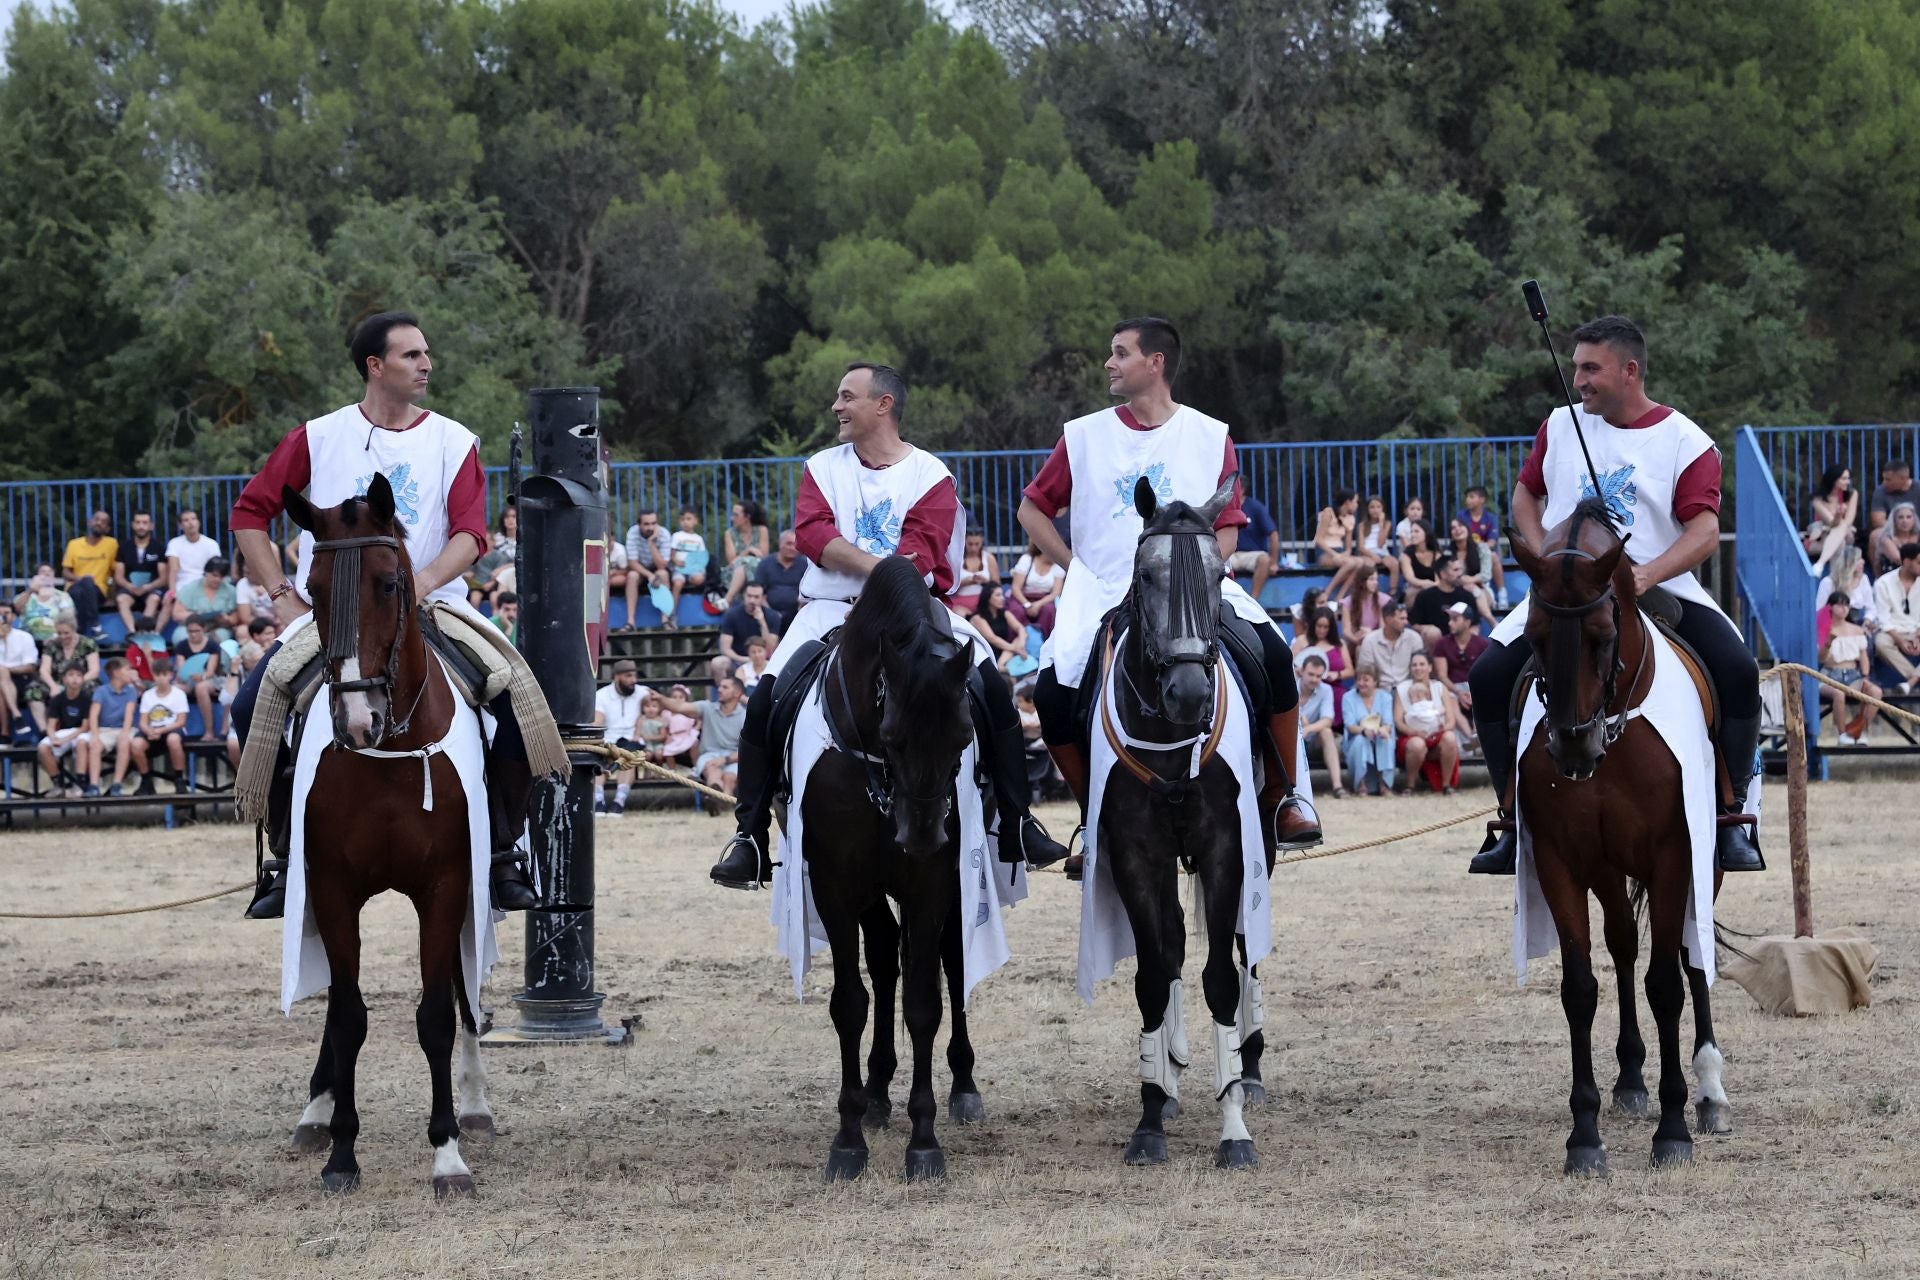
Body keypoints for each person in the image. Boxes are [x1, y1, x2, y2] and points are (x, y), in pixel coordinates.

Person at [227, 309, 543, 919]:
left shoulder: (454, 440)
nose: (426, 364)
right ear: (375, 366)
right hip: (338, 618)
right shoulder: (316, 437)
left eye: (426, 354)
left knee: (520, 704)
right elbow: (250, 515)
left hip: (432, 608)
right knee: (251, 706)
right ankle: (287, 855)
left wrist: (420, 583)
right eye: (411, 355)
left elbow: (472, 534)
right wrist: (278, 593)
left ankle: (503, 853)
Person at [711, 361, 1067, 888]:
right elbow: (813, 534)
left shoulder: (930, 474)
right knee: (766, 696)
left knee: (991, 687)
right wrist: (883, 576)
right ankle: (749, 836)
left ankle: (1016, 821)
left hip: (916, 608)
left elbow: (922, 550)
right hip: (830, 607)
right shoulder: (823, 467)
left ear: (883, 405)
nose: (837, 406)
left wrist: (887, 587)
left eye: (846, 396)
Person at [1466, 314, 1765, 876]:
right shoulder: (1559, 424)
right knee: (1486, 677)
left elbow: (1702, 532)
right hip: (1564, 595)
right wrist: (1544, 563)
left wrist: (1647, 575)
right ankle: (1509, 819)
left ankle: (1731, 818)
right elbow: (1525, 496)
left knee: (1737, 669)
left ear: (1630, 371)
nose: (1578, 380)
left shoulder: (1686, 440)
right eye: (1576, 367)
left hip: (1657, 586)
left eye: (1591, 368)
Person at [1016, 316, 1319, 858]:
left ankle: (1281, 796)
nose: (1109, 363)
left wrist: (1201, 575)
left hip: (1196, 588)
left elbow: (1228, 524)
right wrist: (1073, 565)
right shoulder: (1082, 436)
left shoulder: (1209, 434)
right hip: (1104, 588)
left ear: (1155, 363)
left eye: (1120, 353)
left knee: (1273, 656)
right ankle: (1095, 817)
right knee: (1053, 694)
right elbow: (1032, 508)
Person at [658, 676, 749, 801]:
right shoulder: (707, 707)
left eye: (725, 687)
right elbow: (679, 707)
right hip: (709, 755)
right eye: (720, 686)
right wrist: (660, 698)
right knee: (712, 770)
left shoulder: (746, 716)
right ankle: (719, 799)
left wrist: (725, 759)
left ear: (737, 693)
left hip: (733, 757)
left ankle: (716, 800)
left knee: (730, 778)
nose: (719, 690)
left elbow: (748, 750)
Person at [1394, 651, 1463, 794]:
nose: (1418, 668)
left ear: (1430, 667)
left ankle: (1446, 786)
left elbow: (1451, 720)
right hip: (1412, 736)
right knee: (1417, 744)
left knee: (1450, 738)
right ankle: (1410, 786)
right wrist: (1414, 732)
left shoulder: (1439, 687)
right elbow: (1398, 721)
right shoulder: (1402, 689)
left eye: (1422, 664)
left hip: (1437, 734)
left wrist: (1440, 729)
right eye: (1414, 665)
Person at [1818, 593, 1881, 745]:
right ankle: (1842, 735)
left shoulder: (1856, 629)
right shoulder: (1823, 627)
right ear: (1830, 607)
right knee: (1838, 694)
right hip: (1830, 675)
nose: (1843, 609)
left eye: (1846, 605)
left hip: (1853, 675)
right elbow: (1821, 658)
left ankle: (1859, 730)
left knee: (1876, 692)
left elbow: (1863, 657)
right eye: (1839, 605)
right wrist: (1828, 642)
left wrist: (1865, 676)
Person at [593, 659, 646, 815]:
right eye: (629, 676)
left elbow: (657, 710)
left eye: (634, 676)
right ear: (617, 677)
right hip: (608, 740)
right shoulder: (602, 695)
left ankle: (619, 802)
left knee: (628, 760)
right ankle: (598, 802)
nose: (633, 681)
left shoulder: (643, 692)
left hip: (633, 740)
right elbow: (598, 721)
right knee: (598, 760)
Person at [27, 615, 99, 726]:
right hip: (57, 681)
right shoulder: (52, 645)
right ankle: (44, 729)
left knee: (93, 689)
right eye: (59, 633)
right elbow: (44, 670)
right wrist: (53, 686)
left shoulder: (87, 644)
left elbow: (94, 671)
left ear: (74, 630)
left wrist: (76, 682)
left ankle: (86, 726)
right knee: (33, 689)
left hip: (82, 681)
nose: (62, 636)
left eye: (66, 633)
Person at [86, 656, 142, 795]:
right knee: (95, 745)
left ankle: (117, 784)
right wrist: (95, 735)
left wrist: (125, 731)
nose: (131, 672)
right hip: (105, 729)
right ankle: (94, 785)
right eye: (127, 669)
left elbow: (129, 713)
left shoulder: (130, 691)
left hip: (124, 728)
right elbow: (93, 715)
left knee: (124, 741)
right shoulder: (101, 691)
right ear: (117, 673)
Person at [710, 582, 781, 690]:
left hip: (764, 660)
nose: (752, 600)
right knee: (718, 663)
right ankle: (725, 698)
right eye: (749, 596)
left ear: (762, 598)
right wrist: (744, 659)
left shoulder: (773, 616)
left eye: (756, 597)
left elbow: (770, 648)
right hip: (738, 658)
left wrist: (762, 622)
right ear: (744, 596)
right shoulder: (731, 615)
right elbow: (725, 648)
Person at [1870, 542, 1920, 694]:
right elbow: (1883, 619)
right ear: (1906, 562)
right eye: (1919, 562)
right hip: (1892, 632)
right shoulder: (1883, 584)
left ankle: (1910, 683)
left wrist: (1918, 636)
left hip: (1916, 631)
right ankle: (1914, 678)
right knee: (1880, 642)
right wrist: (1900, 640)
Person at [37, 664, 94, 797]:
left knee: (82, 743)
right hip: (64, 732)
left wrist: (64, 739)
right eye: (71, 675)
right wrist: (53, 738)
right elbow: (51, 725)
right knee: (43, 747)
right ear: (64, 679)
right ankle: (57, 783)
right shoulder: (57, 699)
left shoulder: (86, 699)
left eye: (79, 676)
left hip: (81, 732)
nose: (75, 679)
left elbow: (85, 727)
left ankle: (80, 783)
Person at [60, 509, 117, 638]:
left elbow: (114, 572)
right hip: (75, 587)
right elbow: (65, 571)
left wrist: (112, 598)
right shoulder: (74, 544)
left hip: (98, 591)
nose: (99, 523)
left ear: (107, 528)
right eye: (96, 519)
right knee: (82, 587)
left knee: (86, 586)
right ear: (90, 522)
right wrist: (80, 579)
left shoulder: (111, 544)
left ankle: (78, 633)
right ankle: (95, 626)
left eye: (103, 522)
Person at [111, 510, 169, 636]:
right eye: (138, 522)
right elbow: (118, 576)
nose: (141, 526)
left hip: (151, 588)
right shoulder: (124, 547)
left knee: (153, 599)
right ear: (133, 525)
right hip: (129, 588)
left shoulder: (158, 547)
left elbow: (164, 577)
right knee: (121, 599)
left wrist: (148, 587)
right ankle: (132, 632)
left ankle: (143, 631)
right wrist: (129, 586)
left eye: (145, 523)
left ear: (151, 526)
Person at [1340, 665, 1395, 797]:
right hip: (1356, 737)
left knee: (1385, 738)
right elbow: (1350, 725)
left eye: (1366, 680)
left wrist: (1383, 730)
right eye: (1359, 679)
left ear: (1375, 681)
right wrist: (1364, 731)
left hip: (1379, 736)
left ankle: (1385, 784)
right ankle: (1361, 785)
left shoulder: (1385, 697)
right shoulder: (1348, 697)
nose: (1361, 683)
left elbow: (1388, 723)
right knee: (1360, 741)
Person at [1431, 601, 1489, 727]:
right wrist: (1458, 692)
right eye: (1450, 619)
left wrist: (1474, 692)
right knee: (1450, 700)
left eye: (1455, 619)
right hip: (1452, 687)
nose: (1449, 623)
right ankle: (1468, 739)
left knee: (1484, 696)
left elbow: (1487, 674)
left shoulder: (1482, 644)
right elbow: (1441, 675)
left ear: (1467, 622)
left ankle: (1478, 736)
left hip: (1475, 686)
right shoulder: (1442, 644)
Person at [132, 658, 189, 784]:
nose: (161, 678)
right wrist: (149, 731)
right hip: (152, 729)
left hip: (172, 728)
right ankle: (146, 780)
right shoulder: (147, 695)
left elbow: (181, 721)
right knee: (136, 744)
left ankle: (179, 778)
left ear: (170, 675)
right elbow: (143, 722)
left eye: (164, 674)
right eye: (157, 675)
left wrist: (161, 730)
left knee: (173, 740)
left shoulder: (179, 694)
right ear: (153, 675)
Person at [1297, 653, 1344, 798]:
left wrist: (1308, 728)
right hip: (1291, 740)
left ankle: (1337, 786)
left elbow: (1327, 720)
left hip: (1311, 740)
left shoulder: (1326, 690)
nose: (1314, 679)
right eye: (1311, 674)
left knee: (1326, 732)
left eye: (1318, 676)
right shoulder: (1289, 686)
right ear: (1301, 672)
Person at [1409, 556, 1483, 649]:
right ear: (1443, 574)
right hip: (1436, 644)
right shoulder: (1425, 596)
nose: (1460, 574)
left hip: (1460, 642)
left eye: (1460, 570)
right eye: (1455, 570)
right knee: (1432, 633)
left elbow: (1474, 625)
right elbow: (1415, 624)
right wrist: (1427, 629)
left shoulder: (1467, 596)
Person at [1455, 487, 1510, 610]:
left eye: (1472, 497)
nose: (1467, 500)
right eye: (1467, 497)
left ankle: (1502, 594)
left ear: (1482, 500)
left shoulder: (1490, 518)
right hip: (1466, 551)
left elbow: (1492, 540)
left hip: (1483, 552)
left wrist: (1481, 548)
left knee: (1494, 556)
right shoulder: (1461, 516)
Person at [170, 618, 224, 740]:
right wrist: (185, 676)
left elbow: (210, 671)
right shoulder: (182, 646)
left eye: (196, 630)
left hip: (209, 680)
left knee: (201, 688)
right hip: (188, 681)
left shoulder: (212, 645)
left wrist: (202, 676)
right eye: (190, 631)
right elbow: (181, 670)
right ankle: (173, 730)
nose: (193, 634)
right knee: (174, 689)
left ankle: (209, 731)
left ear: (203, 629)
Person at [625, 508, 675, 629]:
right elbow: (632, 562)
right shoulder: (632, 533)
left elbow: (662, 565)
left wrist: (651, 544)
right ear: (639, 524)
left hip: (657, 568)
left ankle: (665, 620)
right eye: (646, 524)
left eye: (653, 523)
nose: (650, 527)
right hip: (640, 569)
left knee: (662, 573)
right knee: (632, 576)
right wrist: (649, 575)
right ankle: (630, 621)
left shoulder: (663, 534)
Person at [1354, 599, 1421, 690]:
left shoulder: (1414, 638)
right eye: (1402, 619)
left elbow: (1420, 669)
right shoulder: (1370, 640)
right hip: (1379, 690)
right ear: (1388, 620)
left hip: (1408, 689)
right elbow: (1366, 671)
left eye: (1406, 618)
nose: (1406, 622)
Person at [1802, 464, 1858, 573]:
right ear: (1833, 479)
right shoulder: (1817, 499)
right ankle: (1835, 582)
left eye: (1848, 478)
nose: (1848, 482)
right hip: (1823, 534)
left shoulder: (1852, 494)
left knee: (1842, 528)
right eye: (1844, 479)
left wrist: (1839, 518)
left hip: (1847, 533)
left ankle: (1820, 563)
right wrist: (1838, 515)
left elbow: (1849, 521)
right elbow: (1831, 523)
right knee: (1840, 543)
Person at [1312, 489, 1365, 601]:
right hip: (1326, 552)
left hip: (1340, 552)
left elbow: (1349, 547)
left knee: (1360, 563)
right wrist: (1335, 554)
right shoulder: (1328, 512)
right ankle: (1327, 592)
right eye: (1355, 502)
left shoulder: (1350, 518)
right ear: (1347, 502)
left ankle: (1341, 595)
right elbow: (1319, 540)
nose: (1357, 505)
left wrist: (1345, 553)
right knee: (1351, 562)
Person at [1230, 490, 1281, 602]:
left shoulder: (1255, 507)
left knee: (1264, 560)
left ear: (1241, 490)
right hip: (1229, 554)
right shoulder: (1225, 507)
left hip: (1251, 554)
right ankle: (1227, 600)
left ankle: (1253, 601)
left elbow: (1273, 534)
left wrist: (1273, 562)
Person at [720, 500, 771, 608]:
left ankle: (727, 600)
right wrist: (748, 551)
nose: (732, 518)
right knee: (744, 564)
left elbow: (764, 557)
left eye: (736, 515)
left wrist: (747, 557)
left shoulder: (762, 530)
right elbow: (732, 561)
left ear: (747, 516)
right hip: (733, 574)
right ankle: (759, 601)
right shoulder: (729, 534)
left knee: (749, 564)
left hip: (758, 570)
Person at [171, 557, 238, 640]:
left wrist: (227, 619)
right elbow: (177, 614)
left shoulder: (231, 590)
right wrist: (197, 616)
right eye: (214, 575)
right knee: (182, 637)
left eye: (221, 577)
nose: (218, 579)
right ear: (206, 572)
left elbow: (236, 616)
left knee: (222, 637)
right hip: (192, 626)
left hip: (217, 628)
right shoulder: (190, 588)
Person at [1447, 515, 1500, 618]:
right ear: (1451, 535)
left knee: (1471, 588)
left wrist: (1470, 579)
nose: (1457, 529)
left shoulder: (1482, 548)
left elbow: (1486, 575)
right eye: (1453, 528)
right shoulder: (1448, 554)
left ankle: (1491, 622)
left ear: (1467, 529)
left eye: (1460, 526)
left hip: (1481, 589)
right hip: (1456, 590)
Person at [971, 583, 1029, 676]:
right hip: (987, 652)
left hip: (1005, 651)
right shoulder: (977, 618)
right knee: (1012, 645)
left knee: (1019, 638)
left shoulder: (1004, 613)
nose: (1002, 598)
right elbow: (992, 638)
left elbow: (1020, 628)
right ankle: (1000, 667)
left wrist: (1021, 644)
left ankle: (1001, 665)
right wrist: (1016, 649)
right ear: (988, 598)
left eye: (1002, 594)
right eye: (998, 595)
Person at [467, 504, 518, 609]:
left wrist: (503, 568)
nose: (510, 520)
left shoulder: (525, 539)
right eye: (507, 517)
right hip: (494, 579)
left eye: (514, 516)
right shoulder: (496, 539)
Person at [1291, 605, 1353, 691]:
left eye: (1326, 627)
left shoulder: (1339, 643)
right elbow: (1291, 666)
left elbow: (1350, 671)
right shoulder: (1302, 640)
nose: (1322, 630)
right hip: (1307, 692)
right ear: (1313, 625)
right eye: (1319, 626)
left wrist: (1337, 674)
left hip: (1334, 689)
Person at [1008, 543, 1063, 637]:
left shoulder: (1058, 566)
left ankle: (1043, 641)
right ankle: (1017, 641)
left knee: (1049, 610)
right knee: (1017, 611)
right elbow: (1016, 588)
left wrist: (1038, 604)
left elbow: (1055, 593)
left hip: (1044, 599)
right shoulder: (1027, 560)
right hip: (1023, 597)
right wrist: (1027, 605)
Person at [1816, 543, 1877, 629]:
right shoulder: (1828, 582)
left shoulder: (1864, 579)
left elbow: (1871, 608)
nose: (1863, 561)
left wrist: (1866, 622)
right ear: (1849, 562)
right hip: (1833, 626)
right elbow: (1819, 610)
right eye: (1858, 559)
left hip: (1858, 624)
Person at [164, 510, 219, 603]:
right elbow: (173, 569)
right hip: (181, 585)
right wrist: (172, 591)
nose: (191, 523)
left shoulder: (211, 544)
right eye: (186, 520)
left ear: (198, 522)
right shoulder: (174, 543)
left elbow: (215, 570)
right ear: (180, 525)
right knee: (166, 602)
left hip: (205, 584)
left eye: (193, 519)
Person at [0, 605, 37, 740]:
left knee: (2, 674)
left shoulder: (24, 637)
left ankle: (4, 734)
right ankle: (17, 717)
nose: (3, 617)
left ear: (14, 616)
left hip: (21, 678)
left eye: (6, 613)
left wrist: (6, 670)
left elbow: (30, 667)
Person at [755, 529, 809, 620]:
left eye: (795, 544)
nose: (792, 548)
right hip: (768, 614)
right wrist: (771, 614)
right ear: (780, 544)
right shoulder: (765, 564)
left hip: (797, 614)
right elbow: (759, 593)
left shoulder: (805, 564)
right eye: (789, 544)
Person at [14, 564, 74, 645]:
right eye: (43, 571)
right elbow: (15, 610)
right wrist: (30, 591)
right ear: (35, 577)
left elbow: (68, 619)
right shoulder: (25, 596)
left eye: (50, 572)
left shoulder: (63, 597)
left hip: (56, 640)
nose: (47, 574)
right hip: (27, 640)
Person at [668, 508, 709, 621]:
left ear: (696, 521)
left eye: (689, 519)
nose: (685, 522)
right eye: (683, 519)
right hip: (679, 569)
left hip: (693, 569)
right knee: (678, 583)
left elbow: (702, 556)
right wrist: (676, 561)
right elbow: (672, 555)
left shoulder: (698, 539)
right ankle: (672, 612)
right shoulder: (677, 536)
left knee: (699, 579)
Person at [949, 527, 997, 616]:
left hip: (985, 602)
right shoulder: (957, 559)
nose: (973, 548)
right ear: (964, 542)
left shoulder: (989, 558)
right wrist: (965, 582)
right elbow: (949, 588)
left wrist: (985, 582)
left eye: (977, 544)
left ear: (982, 542)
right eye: (970, 544)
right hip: (961, 603)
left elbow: (997, 585)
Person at [1357, 494, 1399, 594]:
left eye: (1378, 507)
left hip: (1382, 552)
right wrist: (1372, 555)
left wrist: (1381, 524)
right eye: (1372, 507)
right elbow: (1361, 547)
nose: (1375, 510)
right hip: (1367, 553)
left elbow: (1380, 543)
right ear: (1367, 509)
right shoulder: (1362, 525)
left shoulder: (1387, 523)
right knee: (1369, 565)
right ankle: (1368, 591)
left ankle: (1393, 592)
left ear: (1382, 509)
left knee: (1394, 563)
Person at [1340, 566, 1393, 642]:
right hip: (1356, 640)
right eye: (1371, 579)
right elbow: (1346, 631)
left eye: (1376, 579)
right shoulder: (1347, 602)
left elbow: (1383, 629)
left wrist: (1370, 633)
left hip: (1378, 639)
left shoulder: (1383, 600)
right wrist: (1357, 640)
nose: (1375, 583)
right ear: (1362, 581)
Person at [1397, 518, 1441, 605]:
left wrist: (1433, 586)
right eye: (1411, 532)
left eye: (1416, 531)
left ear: (1426, 533)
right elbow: (1410, 579)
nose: (1413, 535)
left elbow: (1439, 579)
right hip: (1415, 587)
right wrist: (1426, 583)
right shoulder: (1406, 555)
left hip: (1435, 587)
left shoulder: (1437, 554)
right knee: (1413, 592)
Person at [1871, 501, 1918, 577]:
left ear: (1914, 520)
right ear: (1894, 521)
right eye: (1900, 517)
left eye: (1909, 517)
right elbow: (1900, 560)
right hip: (1890, 581)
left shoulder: (1918, 536)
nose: (1905, 521)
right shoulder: (1886, 539)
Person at [1868, 458, 1914, 534]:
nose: (1884, 482)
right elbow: (1878, 522)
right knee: (1876, 535)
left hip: (1917, 531)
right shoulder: (1880, 491)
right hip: (1890, 531)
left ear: (1903, 478)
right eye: (1884, 479)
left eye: (1888, 479)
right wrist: (1902, 531)